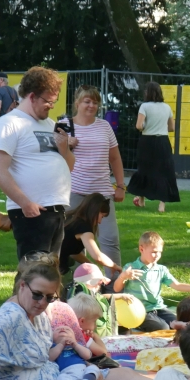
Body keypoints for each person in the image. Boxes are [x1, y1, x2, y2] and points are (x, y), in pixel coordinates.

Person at [0, 255, 151, 380]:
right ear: (22, 285)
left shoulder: (39, 313)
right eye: (37, 295)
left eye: (49, 297)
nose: (42, 302)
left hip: (61, 379)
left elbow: (51, 354)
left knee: (129, 378)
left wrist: (87, 371)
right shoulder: (9, 318)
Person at [0, 66, 74, 259]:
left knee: (49, 274)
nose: (51, 106)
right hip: (32, 211)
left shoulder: (49, 124)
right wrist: (25, 203)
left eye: (54, 101)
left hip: (57, 208)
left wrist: (64, 148)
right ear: (32, 96)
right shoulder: (9, 123)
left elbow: (68, 167)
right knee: (33, 272)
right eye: (48, 101)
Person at [62, 85, 125, 275]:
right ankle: (82, 281)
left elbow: (114, 157)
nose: (91, 106)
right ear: (77, 103)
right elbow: (53, 157)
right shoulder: (65, 125)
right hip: (75, 190)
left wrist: (121, 185)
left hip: (102, 193)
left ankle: (114, 285)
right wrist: (65, 144)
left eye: (95, 102)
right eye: (87, 101)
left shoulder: (104, 126)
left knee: (110, 239)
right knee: (72, 240)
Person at [113, 231, 190, 331]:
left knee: (179, 323)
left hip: (158, 308)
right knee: (163, 327)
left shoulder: (161, 269)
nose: (157, 255)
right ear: (141, 249)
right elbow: (116, 288)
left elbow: (177, 285)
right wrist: (123, 276)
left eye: (159, 252)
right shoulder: (131, 268)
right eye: (154, 252)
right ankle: (135, 325)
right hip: (139, 311)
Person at [127, 81, 179, 214]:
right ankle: (162, 205)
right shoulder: (167, 107)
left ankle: (142, 200)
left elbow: (139, 126)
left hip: (147, 141)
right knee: (164, 171)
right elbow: (172, 128)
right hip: (162, 141)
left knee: (145, 169)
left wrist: (147, 126)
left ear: (147, 93)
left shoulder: (144, 106)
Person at [59, 193, 122, 276]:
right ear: (94, 210)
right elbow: (98, 256)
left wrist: (92, 266)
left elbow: (73, 253)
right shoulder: (84, 229)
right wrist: (115, 266)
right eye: (102, 216)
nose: (100, 222)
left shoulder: (71, 218)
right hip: (57, 268)